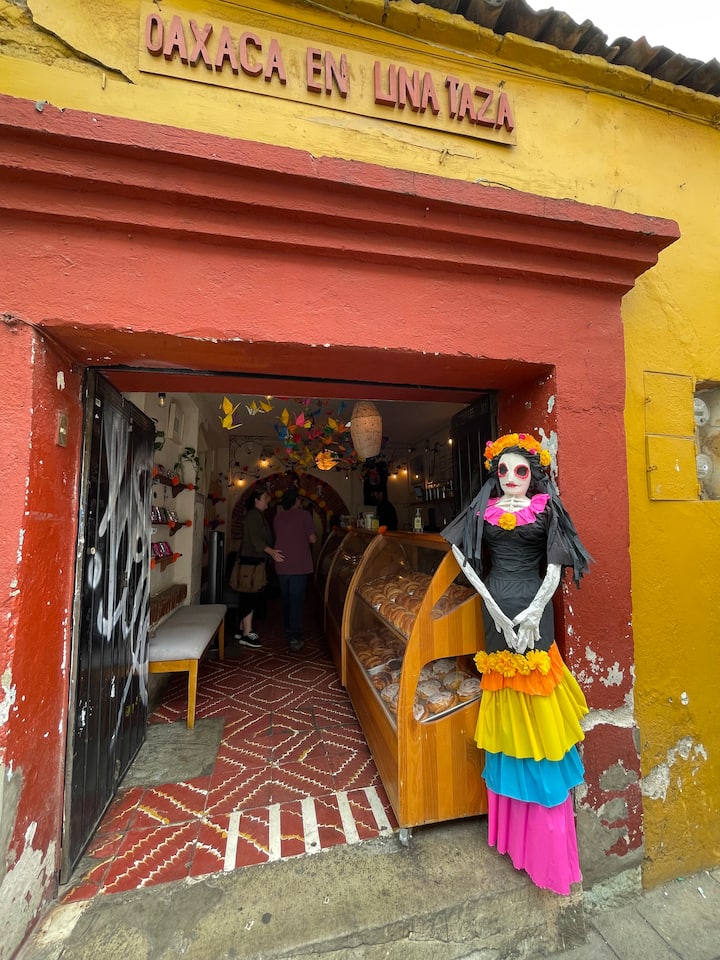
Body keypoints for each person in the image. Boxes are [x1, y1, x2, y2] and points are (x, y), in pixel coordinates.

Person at [442, 431, 592, 895]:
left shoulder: (546, 508)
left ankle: (543, 836)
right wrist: (490, 604)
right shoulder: (483, 509)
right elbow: (460, 553)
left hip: (532, 613)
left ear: (534, 473)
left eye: (520, 470)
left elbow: (556, 566)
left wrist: (532, 612)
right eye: (503, 469)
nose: (510, 477)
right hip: (496, 614)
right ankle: (513, 831)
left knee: (537, 705)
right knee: (507, 701)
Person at [234, 488, 284, 648]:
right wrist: (272, 552)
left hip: (251, 561)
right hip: (252, 562)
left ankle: (241, 629)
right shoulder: (253, 515)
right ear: (256, 500)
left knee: (247, 594)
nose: (267, 502)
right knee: (250, 595)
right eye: (264, 499)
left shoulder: (255, 514)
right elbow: (256, 539)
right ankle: (247, 634)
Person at [273, 488, 317, 652]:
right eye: (299, 500)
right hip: (299, 565)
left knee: (286, 599)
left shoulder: (278, 517)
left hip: (282, 563)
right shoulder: (304, 515)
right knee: (297, 601)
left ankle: (288, 629)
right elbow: (312, 539)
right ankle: (295, 637)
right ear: (296, 501)